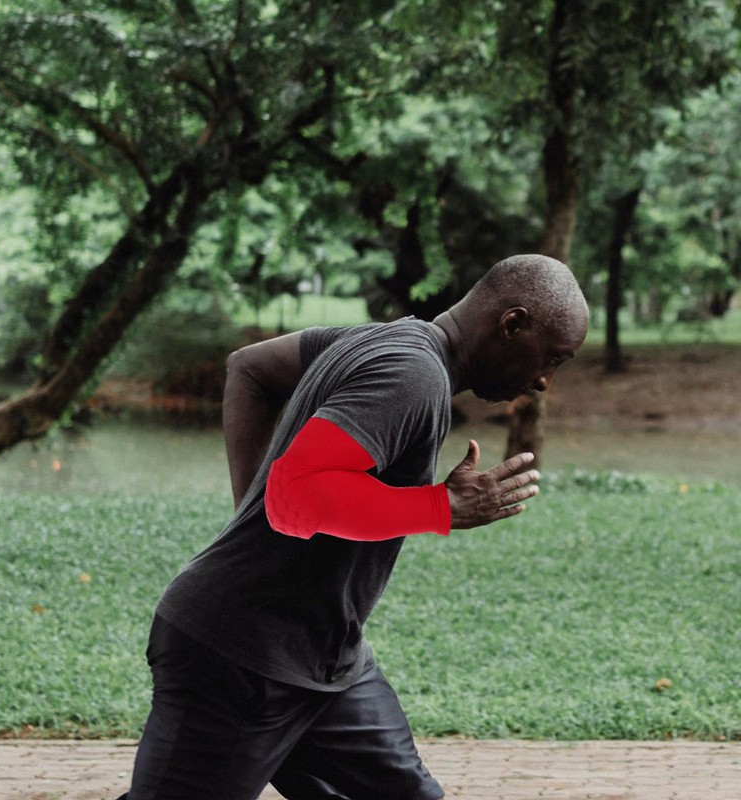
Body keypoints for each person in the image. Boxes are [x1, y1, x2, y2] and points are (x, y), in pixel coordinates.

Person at [117, 253, 589, 800]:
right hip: (239, 657)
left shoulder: (379, 341)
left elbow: (250, 369)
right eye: (552, 358)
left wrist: (253, 511)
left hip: (328, 659)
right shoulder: (412, 375)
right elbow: (293, 493)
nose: (545, 381)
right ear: (512, 324)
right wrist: (437, 508)